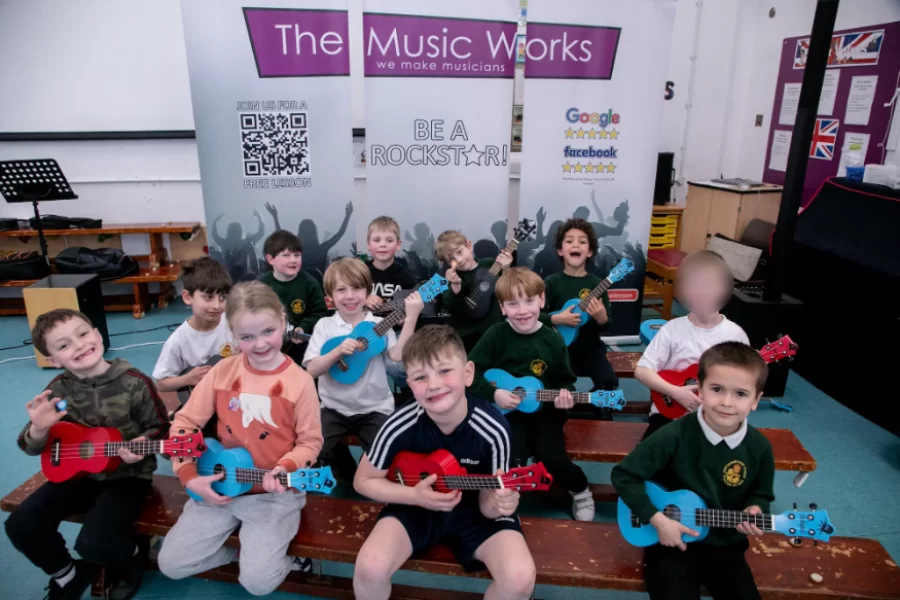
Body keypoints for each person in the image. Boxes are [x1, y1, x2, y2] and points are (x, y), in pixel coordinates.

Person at [157, 281, 323, 593]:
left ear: (283, 320)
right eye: (247, 337)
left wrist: (287, 466)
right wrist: (188, 475)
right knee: (171, 564)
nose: (260, 344)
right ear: (232, 335)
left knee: (258, 583)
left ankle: (281, 561)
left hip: (272, 495)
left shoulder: (300, 382)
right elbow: (186, 422)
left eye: (268, 332)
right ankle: (241, 555)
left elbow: (310, 442)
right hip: (217, 487)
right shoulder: (221, 373)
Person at [353, 325, 535, 600]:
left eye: (444, 371)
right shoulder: (398, 424)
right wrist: (413, 496)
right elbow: (363, 480)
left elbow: (489, 506)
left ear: (468, 373)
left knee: (519, 578)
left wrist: (499, 503)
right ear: (409, 384)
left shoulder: (494, 429)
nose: (434, 384)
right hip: (414, 504)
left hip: (474, 510)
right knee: (370, 567)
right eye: (420, 377)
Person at [5, 309, 169, 600]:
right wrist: (40, 430)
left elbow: (160, 428)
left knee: (94, 543)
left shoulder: (135, 383)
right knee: (20, 524)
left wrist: (141, 442)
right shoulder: (58, 392)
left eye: (83, 334)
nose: (79, 345)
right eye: (64, 345)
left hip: (127, 477)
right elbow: (28, 445)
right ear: (53, 360)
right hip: (75, 475)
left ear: (97, 333)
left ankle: (132, 555)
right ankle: (68, 574)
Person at [611, 342, 774, 600]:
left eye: (741, 394)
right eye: (717, 389)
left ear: (756, 400)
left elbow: (762, 494)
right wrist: (656, 519)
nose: (726, 402)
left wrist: (755, 508)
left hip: (725, 546)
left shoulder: (760, 448)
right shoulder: (672, 435)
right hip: (669, 542)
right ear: (699, 388)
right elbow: (624, 475)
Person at [468, 268, 595, 521]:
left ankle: (580, 489)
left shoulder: (553, 340)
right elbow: (470, 374)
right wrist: (495, 394)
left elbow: (565, 382)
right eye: (513, 304)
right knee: (511, 457)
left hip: (545, 413)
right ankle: (505, 499)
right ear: (503, 308)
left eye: (529, 301)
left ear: (542, 301)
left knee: (552, 458)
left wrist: (565, 398)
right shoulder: (496, 335)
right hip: (506, 413)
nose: (523, 310)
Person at [303, 258, 423, 469]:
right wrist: (337, 352)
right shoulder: (325, 326)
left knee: (386, 458)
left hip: (375, 410)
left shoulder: (378, 324)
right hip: (333, 409)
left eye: (357, 288)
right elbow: (311, 369)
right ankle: (345, 472)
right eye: (341, 290)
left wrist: (411, 318)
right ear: (330, 296)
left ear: (367, 292)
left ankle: (363, 476)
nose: (350, 296)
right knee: (312, 454)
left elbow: (397, 356)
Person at [635, 250, 749, 439]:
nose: (702, 292)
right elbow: (642, 370)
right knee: (652, 460)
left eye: (709, 285)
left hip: (714, 418)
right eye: (694, 285)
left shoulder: (735, 335)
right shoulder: (672, 329)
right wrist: (676, 392)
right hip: (668, 414)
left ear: (724, 289)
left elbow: (743, 385)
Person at [543, 218, 618, 419]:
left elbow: (607, 325)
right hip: (559, 350)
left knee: (609, 381)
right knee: (548, 383)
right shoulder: (551, 282)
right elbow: (537, 316)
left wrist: (601, 317)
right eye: (569, 241)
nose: (576, 245)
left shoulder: (597, 284)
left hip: (590, 349)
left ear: (590, 251)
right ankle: (562, 409)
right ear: (560, 250)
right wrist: (556, 319)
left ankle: (594, 404)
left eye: (582, 241)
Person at [153, 257, 236, 394]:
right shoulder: (178, 340)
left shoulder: (234, 323)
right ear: (187, 297)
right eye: (208, 297)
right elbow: (161, 384)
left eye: (222, 297)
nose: (216, 305)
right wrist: (187, 379)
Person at [258, 229, 329, 364]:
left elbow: (320, 314)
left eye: (297, 255)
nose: (293, 260)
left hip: (303, 352)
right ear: (270, 259)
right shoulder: (260, 286)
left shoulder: (310, 283)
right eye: (286, 255)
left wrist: (304, 327)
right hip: (269, 352)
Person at [436, 230, 513, 352]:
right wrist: (455, 286)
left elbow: (509, 291)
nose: (459, 260)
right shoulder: (449, 277)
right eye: (452, 259)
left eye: (460, 252)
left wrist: (506, 269)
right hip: (465, 341)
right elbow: (450, 307)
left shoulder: (491, 265)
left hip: (494, 335)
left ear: (469, 245)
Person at [364, 216, 416, 310]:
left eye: (389, 240)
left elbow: (414, 308)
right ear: (368, 245)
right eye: (377, 240)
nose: (383, 244)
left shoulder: (406, 277)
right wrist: (364, 300)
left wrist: (406, 318)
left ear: (398, 245)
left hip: (393, 323)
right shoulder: (360, 273)